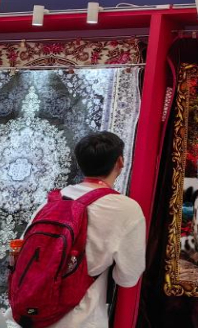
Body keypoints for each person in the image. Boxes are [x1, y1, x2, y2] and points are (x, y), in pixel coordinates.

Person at [41, 131, 146, 328]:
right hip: (80, 319)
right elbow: (128, 278)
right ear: (120, 162)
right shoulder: (126, 209)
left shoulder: (54, 200)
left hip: (32, 312)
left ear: (80, 163)